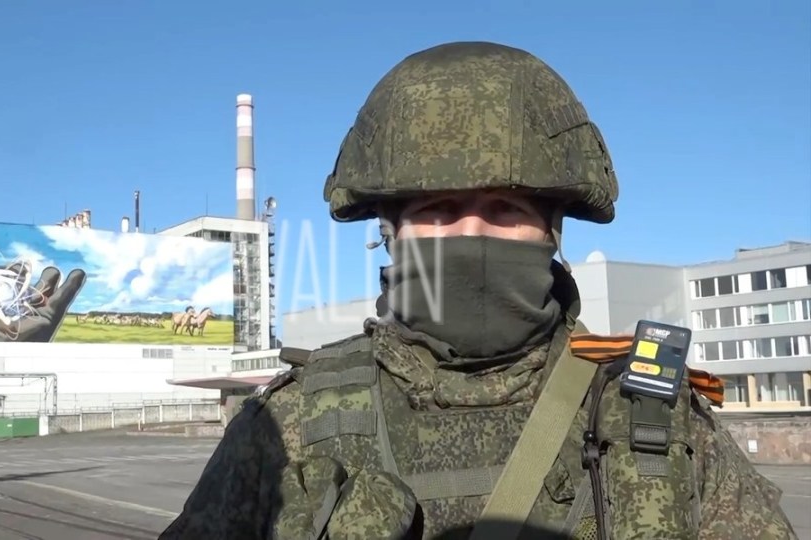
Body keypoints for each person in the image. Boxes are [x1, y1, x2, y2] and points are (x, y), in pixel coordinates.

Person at [158, 42, 797, 540]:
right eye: (438, 210)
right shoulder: (289, 422)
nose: (472, 234)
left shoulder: (650, 412)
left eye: (503, 206)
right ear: (392, 232)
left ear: (552, 226)